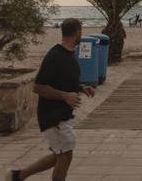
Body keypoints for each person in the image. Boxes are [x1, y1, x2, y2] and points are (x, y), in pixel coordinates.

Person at [9, 18, 94, 181]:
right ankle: (18, 176)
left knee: (60, 154)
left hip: (62, 114)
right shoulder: (55, 55)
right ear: (78, 32)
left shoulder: (69, 54)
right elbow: (38, 87)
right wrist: (65, 96)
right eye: (81, 31)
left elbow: (64, 81)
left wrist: (81, 88)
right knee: (65, 155)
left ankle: (19, 176)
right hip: (53, 115)